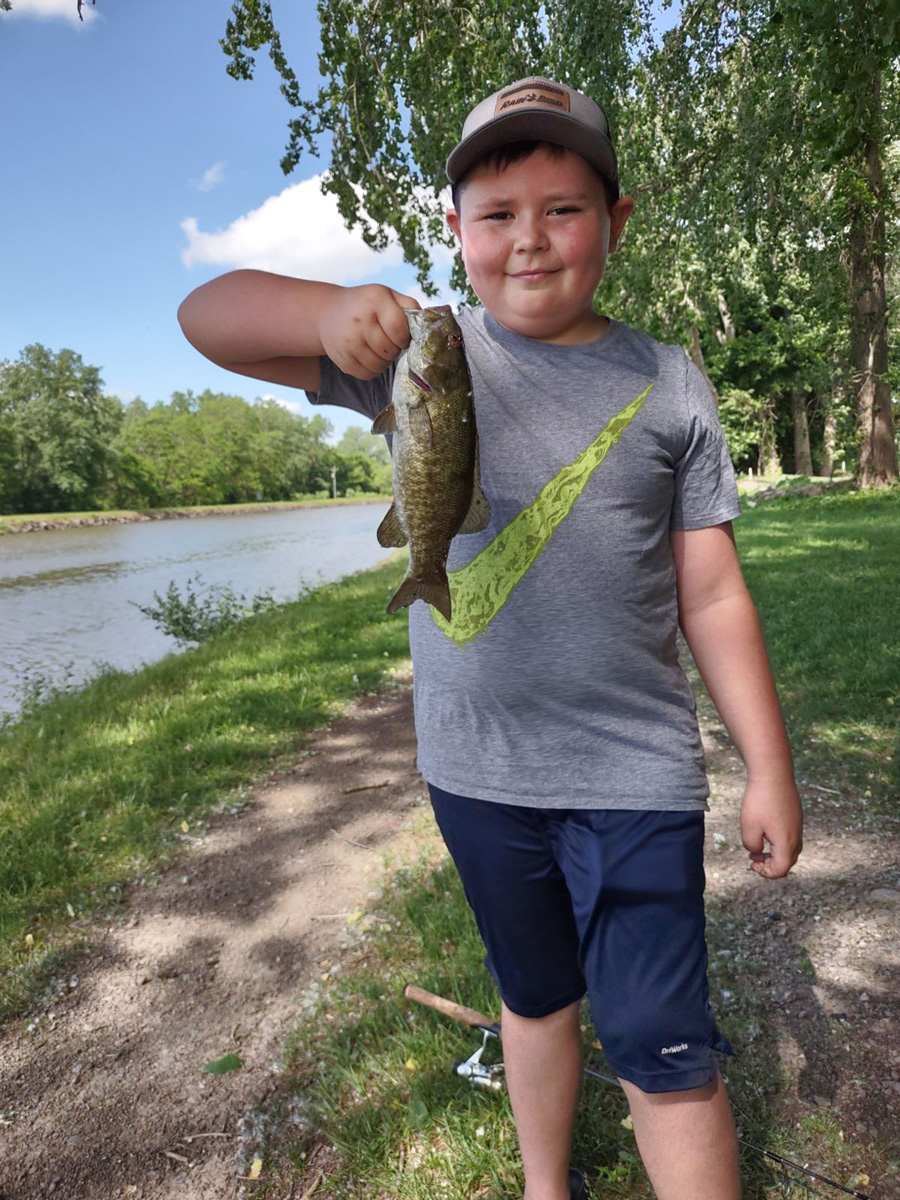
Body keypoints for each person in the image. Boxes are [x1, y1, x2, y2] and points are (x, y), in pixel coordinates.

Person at [178, 75, 803, 1200]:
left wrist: (769, 764)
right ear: (456, 231)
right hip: (477, 773)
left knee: (664, 1038)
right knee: (534, 995)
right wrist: (324, 316)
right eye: (497, 214)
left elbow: (712, 595)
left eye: (563, 209)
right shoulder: (421, 356)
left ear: (612, 224)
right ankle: (543, 1185)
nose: (530, 240)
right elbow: (205, 318)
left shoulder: (669, 384)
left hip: (636, 773)